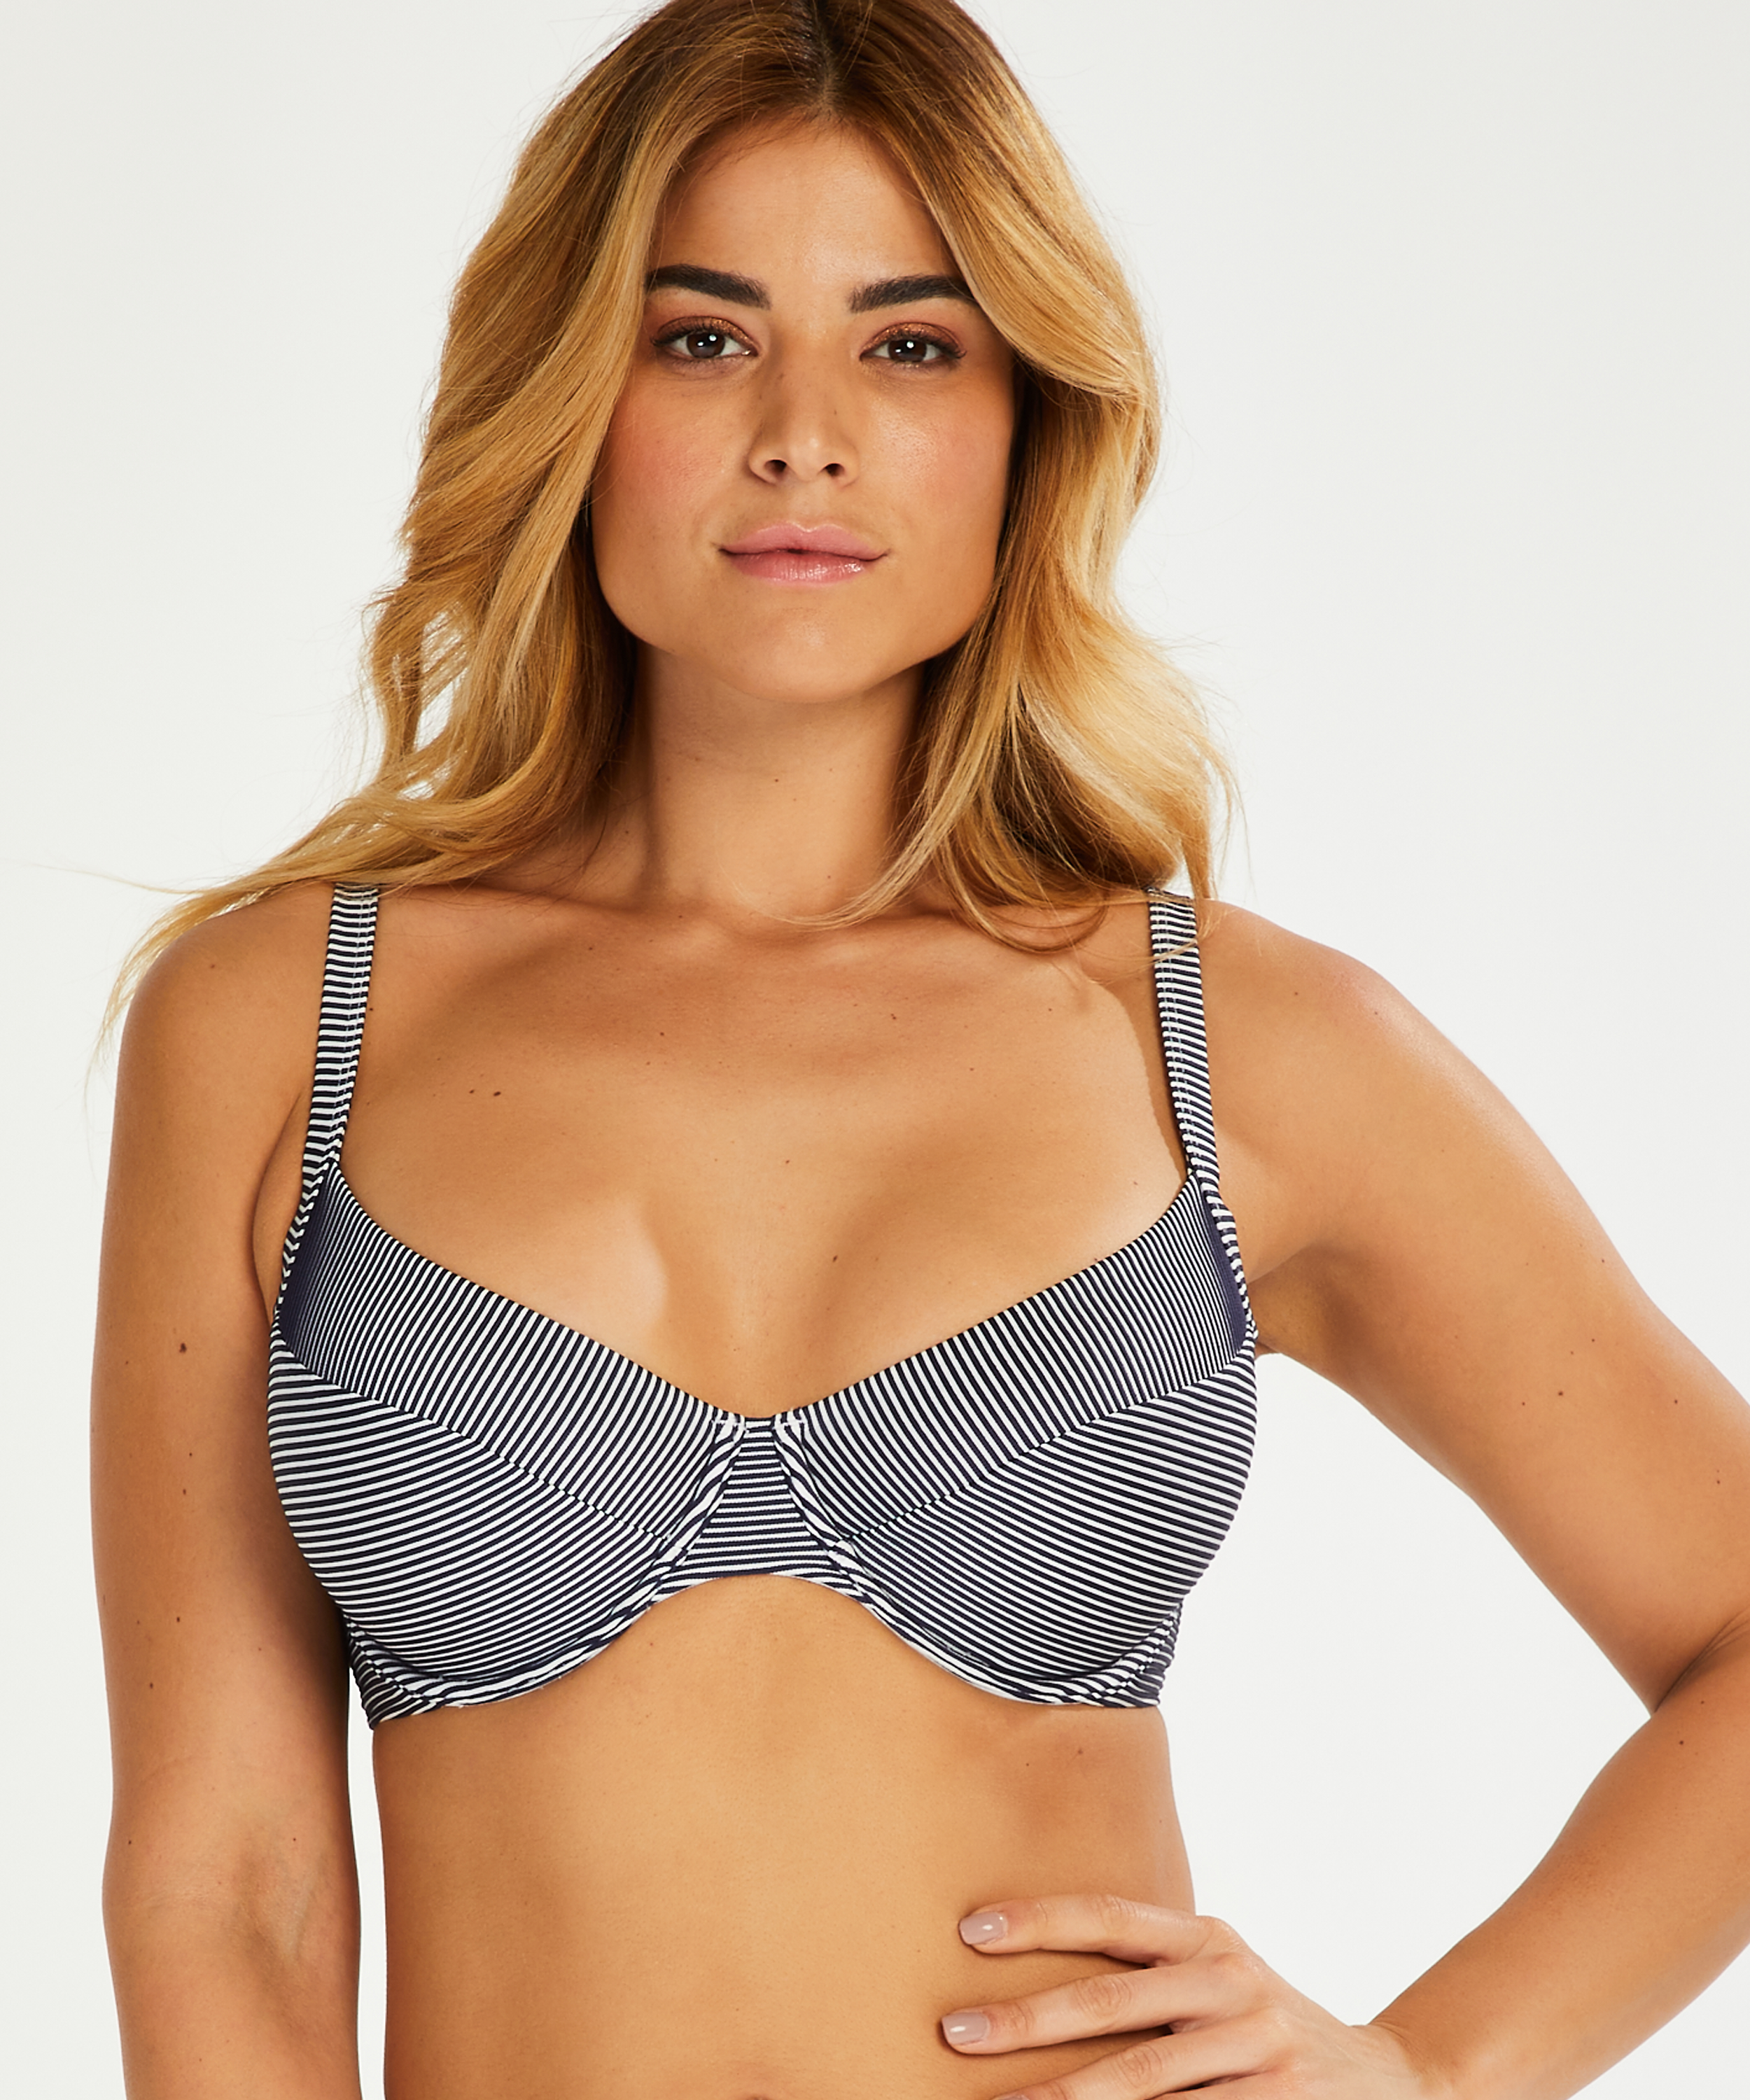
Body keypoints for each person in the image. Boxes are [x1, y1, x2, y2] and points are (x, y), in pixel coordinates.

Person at [90, 0, 1750, 2094]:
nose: (806, 436)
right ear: (570, 392)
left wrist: (1431, 2069)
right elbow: (228, 1881)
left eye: (911, 345)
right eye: (704, 337)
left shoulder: (1233, 1047)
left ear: (1027, 418)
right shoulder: (281, 1026)